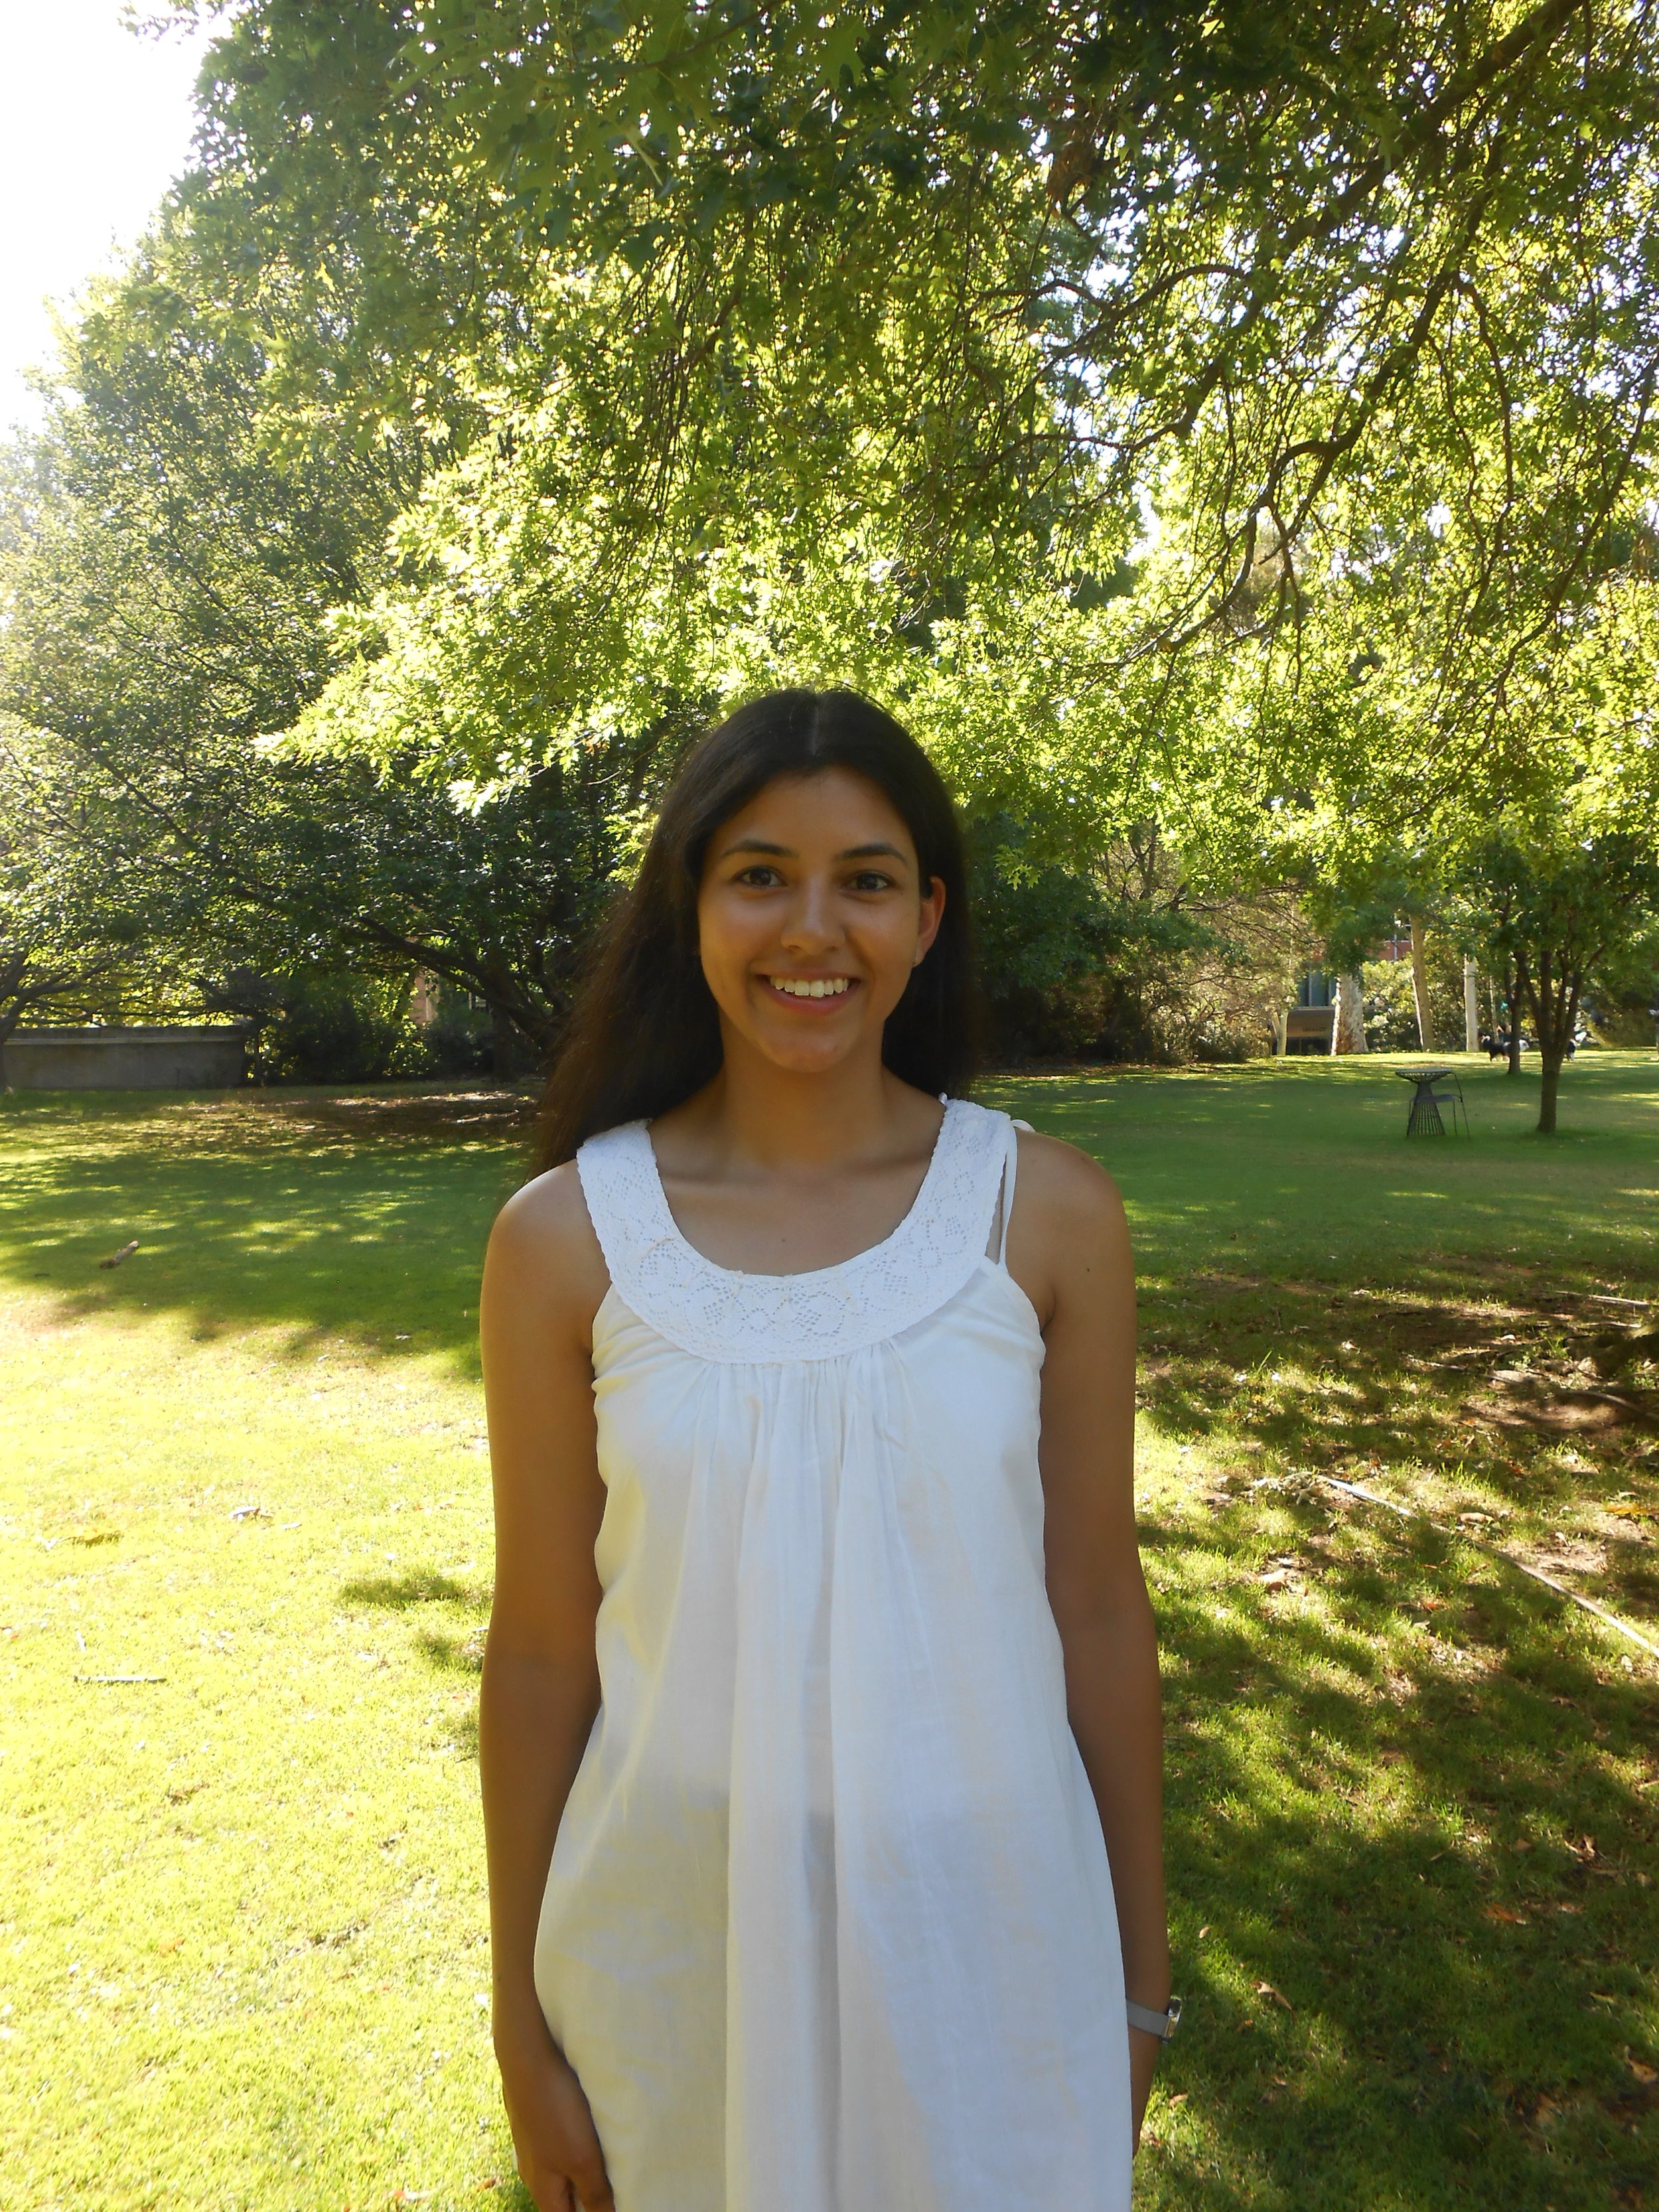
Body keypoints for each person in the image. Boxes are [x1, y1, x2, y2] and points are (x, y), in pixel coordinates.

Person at [478, 689, 1171, 2212]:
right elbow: (539, 1652)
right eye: (757, 873)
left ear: (925, 918)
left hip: (988, 1947)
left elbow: (1098, 1611)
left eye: (864, 877)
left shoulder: (1046, 1213)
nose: (813, 926)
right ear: (692, 907)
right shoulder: (563, 1239)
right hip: (670, 1957)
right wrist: (518, 2024)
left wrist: (1137, 1983)